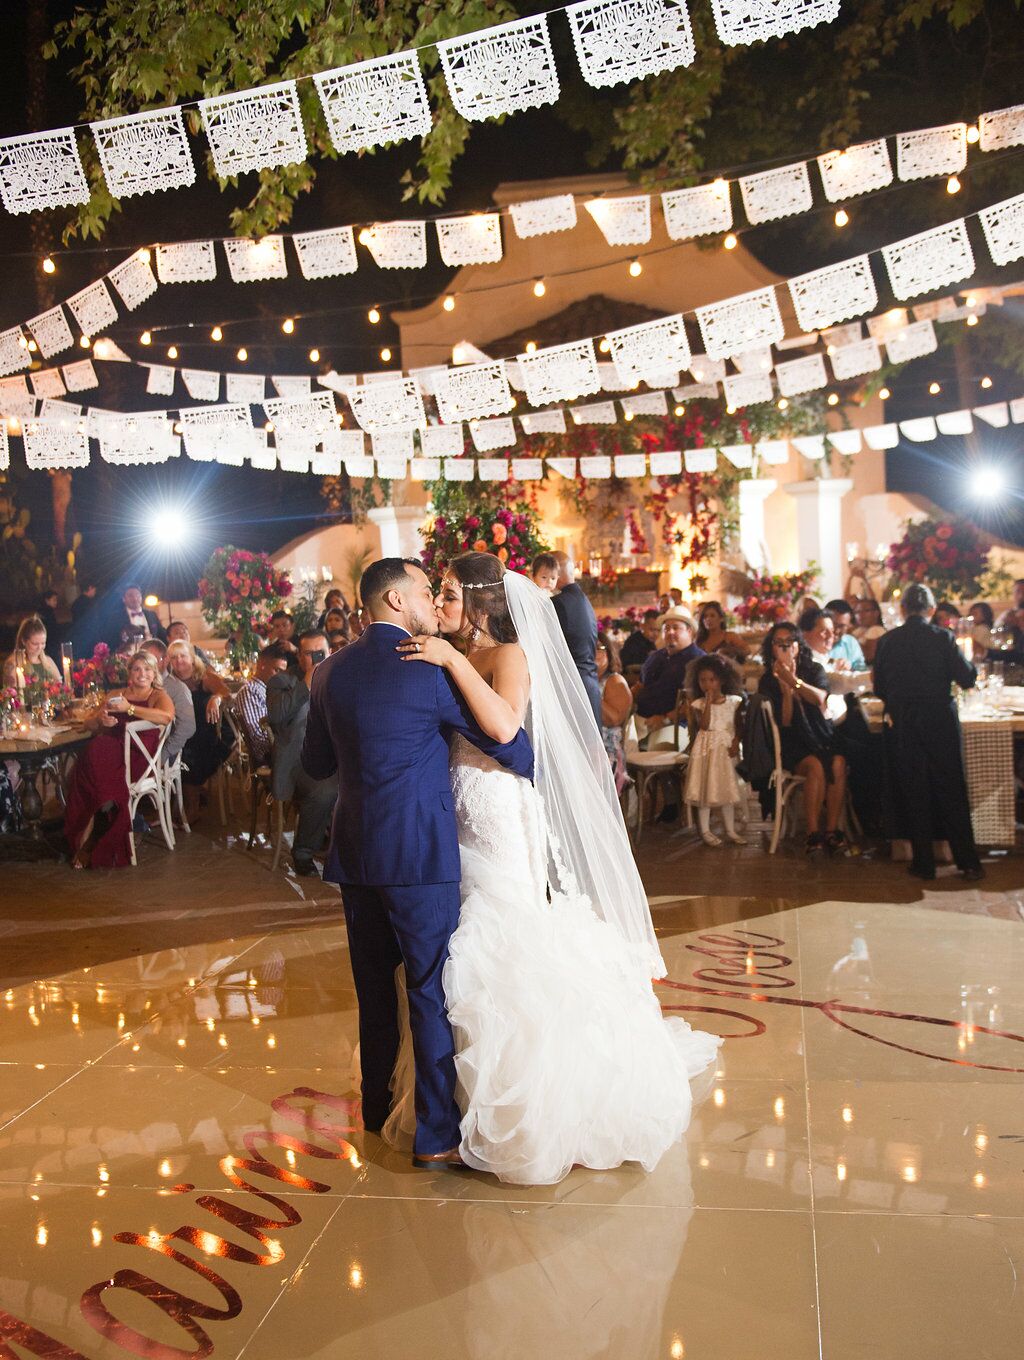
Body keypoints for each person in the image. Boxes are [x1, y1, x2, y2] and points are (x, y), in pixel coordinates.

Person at [391, 552, 720, 1183]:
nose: (443, 604)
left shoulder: (508, 655)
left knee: (501, 940)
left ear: (485, 603)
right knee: (457, 947)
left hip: (498, 810)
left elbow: (507, 724)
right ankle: (454, 1109)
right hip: (456, 812)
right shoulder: (440, 647)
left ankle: (525, 1108)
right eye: (441, 594)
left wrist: (454, 660)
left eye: (453, 594)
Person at [300, 556, 536, 1168]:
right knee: (429, 990)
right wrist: (531, 764)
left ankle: (375, 1110)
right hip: (420, 854)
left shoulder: (327, 673)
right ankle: (436, 1134)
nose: (434, 600)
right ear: (398, 602)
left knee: (375, 990)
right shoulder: (425, 668)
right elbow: (502, 739)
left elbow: (318, 766)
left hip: (354, 855)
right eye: (427, 591)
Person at [873, 583, 983, 882]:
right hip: (940, 720)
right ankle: (968, 862)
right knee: (951, 788)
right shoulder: (944, 638)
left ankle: (924, 863)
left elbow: (879, 686)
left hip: (905, 719)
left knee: (915, 788)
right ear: (932, 610)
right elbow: (967, 678)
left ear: (903, 609)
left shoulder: (887, 641)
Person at [63, 650, 174, 869]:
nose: (142, 674)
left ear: (154, 674)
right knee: (95, 750)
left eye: (147, 669)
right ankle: (101, 814)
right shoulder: (116, 693)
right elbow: (89, 724)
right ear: (129, 673)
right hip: (109, 752)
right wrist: (101, 719)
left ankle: (96, 832)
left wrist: (130, 709)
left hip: (137, 756)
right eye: (136, 669)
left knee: (97, 752)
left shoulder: (157, 695)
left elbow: (166, 716)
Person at [758, 622, 850, 856]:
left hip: (820, 734)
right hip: (792, 742)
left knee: (838, 762)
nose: (785, 647)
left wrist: (794, 682)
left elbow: (820, 698)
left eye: (790, 641)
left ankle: (832, 831)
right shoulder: (767, 680)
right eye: (779, 643)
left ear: (799, 645)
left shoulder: (813, 669)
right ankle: (813, 833)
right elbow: (786, 721)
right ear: (771, 647)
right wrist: (786, 690)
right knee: (815, 766)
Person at [266, 630, 339, 878]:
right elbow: (276, 716)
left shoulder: (341, 676)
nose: (317, 658)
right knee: (325, 790)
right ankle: (304, 852)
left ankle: (348, 851)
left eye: (322, 652)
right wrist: (307, 683)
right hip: (300, 761)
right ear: (299, 656)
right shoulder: (282, 682)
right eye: (310, 654)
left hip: (340, 756)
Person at [684, 653, 745, 847]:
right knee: (705, 791)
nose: (707, 684)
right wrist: (708, 702)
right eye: (703, 680)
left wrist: (736, 741)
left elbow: (739, 725)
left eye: (712, 679)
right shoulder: (699, 704)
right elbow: (704, 725)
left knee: (726, 789)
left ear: (722, 680)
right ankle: (705, 829)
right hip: (706, 752)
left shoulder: (733, 701)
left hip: (725, 751)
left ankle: (730, 829)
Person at [167, 639, 232, 823]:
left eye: (183, 656)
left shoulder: (204, 677)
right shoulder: (170, 682)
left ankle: (192, 806)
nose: (179, 661)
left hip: (213, 736)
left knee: (188, 754)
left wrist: (215, 699)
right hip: (186, 734)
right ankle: (180, 802)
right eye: (174, 657)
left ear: (192, 657)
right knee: (174, 748)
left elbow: (225, 692)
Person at [550, 549, 601, 728]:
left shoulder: (559, 604)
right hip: (589, 683)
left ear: (555, 571)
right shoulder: (582, 599)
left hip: (573, 686)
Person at [633, 609, 704, 727]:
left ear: (689, 631)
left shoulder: (699, 661)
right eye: (666, 628)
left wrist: (665, 718)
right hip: (640, 720)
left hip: (677, 725)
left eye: (676, 628)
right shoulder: (655, 656)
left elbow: (697, 702)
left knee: (658, 746)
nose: (670, 632)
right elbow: (640, 685)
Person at [139, 638, 196, 765]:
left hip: (160, 755)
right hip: (137, 749)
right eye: (142, 661)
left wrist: (162, 754)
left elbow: (187, 728)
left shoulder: (177, 688)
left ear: (165, 661)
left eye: (151, 660)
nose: (145, 666)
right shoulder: (138, 687)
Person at [235, 644, 289, 765]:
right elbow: (258, 736)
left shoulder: (269, 690)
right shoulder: (251, 691)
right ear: (261, 664)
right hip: (270, 755)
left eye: (283, 672)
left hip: (280, 748)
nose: (280, 676)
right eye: (277, 670)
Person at [596, 631, 631, 793]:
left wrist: (589, 689)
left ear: (608, 652)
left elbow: (614, 719)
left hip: (607, 750)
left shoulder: (615, 681)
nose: (592, 653)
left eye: (598, 648)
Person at [3, 616, 61, 688]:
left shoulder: (48, 661)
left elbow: (60, 686)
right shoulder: (14, 663)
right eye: (35, 644)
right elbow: (11, 692)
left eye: (43, 643)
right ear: (24, 641)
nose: (40, 648)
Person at [108, 584, 166, 651]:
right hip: (128, 655)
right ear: (124, 599)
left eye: (137, 595)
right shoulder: (116, 617)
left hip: (151, 654)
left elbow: (161, 634)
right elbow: (112, 638)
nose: (135, 598)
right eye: (130, 596)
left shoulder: (151, 614)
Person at [798, 606, 850, 676]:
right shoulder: (806, 663)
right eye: (824, 632)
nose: (831, 635)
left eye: (832, 630)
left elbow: (826, 660)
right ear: (805, 634)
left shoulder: (821, 655)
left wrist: (838, 662)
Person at [823, 599, 867, 671]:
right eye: (834, 624)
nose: (837, 630)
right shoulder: (816, 640)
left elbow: (861, 669)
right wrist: (834, 662)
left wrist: (850, 668)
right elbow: (818, 661)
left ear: (849, 625)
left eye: (842, 626)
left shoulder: (851, 642)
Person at [70, 581, 102, 658]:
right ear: (90, 588)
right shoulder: (90, 603)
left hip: (78, 636)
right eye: (94, 589)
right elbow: (93, 620)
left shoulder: (76, 602)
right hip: (90, 636)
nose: (95, 592)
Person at [853, 596, 886, 664]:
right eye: (857, 611)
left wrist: (852, 639)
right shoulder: (860, 630)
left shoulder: (876, 630)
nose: (861, 615)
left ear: (876, 613)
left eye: (866, 611)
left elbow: (870, 656)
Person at [37, 590, 62, 664]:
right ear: (47, 600)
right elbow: (52, 630)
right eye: (54, 600)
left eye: (56, 600)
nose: (56, 602)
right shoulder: (47, 613)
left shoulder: (42, 612)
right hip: (50, 644)